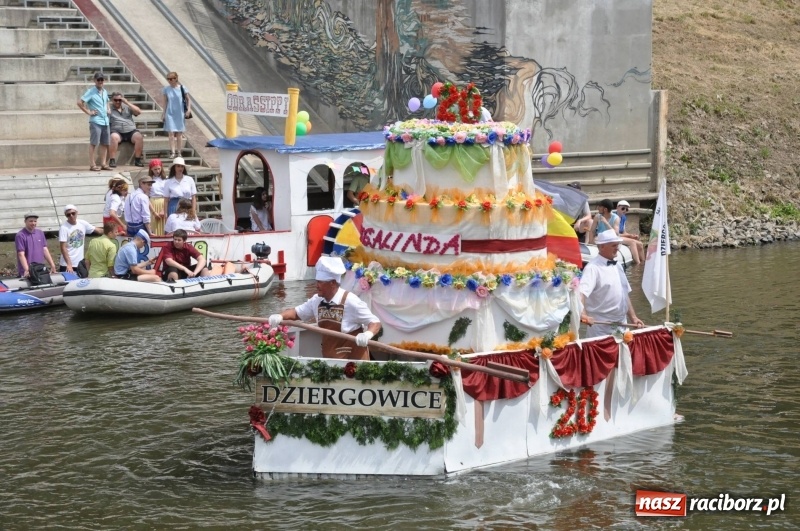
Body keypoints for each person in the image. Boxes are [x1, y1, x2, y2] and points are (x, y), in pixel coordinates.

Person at [268, 256, 381, 360]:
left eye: (320, 282)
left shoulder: (351, 301)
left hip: (354, 364)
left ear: (332, 283)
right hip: (330, 361)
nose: (317, 285)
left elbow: (375, 322)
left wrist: (367, 334)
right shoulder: (316, 300)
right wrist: (279, 316)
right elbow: (296, 313)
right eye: (317, 282)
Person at [579, 230, 644, 338]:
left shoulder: (618, 266)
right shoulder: (592, 268)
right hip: (601, 329)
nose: (617, 248)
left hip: (623, 325)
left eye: (618, 245)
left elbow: (624, 295)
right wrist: (583, 315)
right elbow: (581, 294)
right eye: (614, 245)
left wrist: (633, 318)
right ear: (602, 247)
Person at [76, 71, 110, 171]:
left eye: (101, 80)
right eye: (98, 80)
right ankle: (92, 164)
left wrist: (108, 109)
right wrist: (88, 112)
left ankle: (103, 163)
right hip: (96, 121)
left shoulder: (104, 91)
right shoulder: (91, 91)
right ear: (94, 80)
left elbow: (107, 101)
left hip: (105, 120)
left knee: (104, 143)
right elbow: (79, 102)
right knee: (94, 143)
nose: (100, 81)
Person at [59, 204, 101, 277]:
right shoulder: (64, 228)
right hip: (67, 264)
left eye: (73, 213)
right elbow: (63, 247)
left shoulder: (82, 223)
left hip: (80, 263)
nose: (71, 216)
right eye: (68, 215)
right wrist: (69, 264)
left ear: (77, 212)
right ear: (66, 215)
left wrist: (113, 232)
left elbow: (98, 230)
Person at [15, 212, 57, 279]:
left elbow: (45, 249)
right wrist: (27, 269)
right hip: (28, 271)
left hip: (40, 269)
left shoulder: (40, 233)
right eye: (31, 221)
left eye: (35, 221)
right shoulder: (20, 235)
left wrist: (52, 265)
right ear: (25, 221)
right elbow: (21, 254)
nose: (33, 223)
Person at [107, 92, 144, 168]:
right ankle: (112, 160)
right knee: (113, 137)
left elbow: (139, 112)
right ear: (112, 100)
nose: (117, 102)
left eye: (119, 100)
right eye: (115, 100)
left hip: (130, 130)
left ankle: (137, 160)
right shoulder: (109, 109)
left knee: (139, 137)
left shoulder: (127, 107)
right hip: (117, 131)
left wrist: (127, 102)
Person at [161, 71, 191, 159]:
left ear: (175, 79)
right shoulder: (166, 89)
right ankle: (173, 152)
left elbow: (188, 99)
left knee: (179, 133)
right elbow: (165, 102)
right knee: (171, 133)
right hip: (170, 112)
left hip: (180, 112)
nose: (169, 81)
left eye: (171, 79)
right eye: (168, 79)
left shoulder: (182, 88)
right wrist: (163, 113)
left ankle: (179, 152)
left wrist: (189, 109)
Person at [615, 200, 645, 265]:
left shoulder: (623, 218)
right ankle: (638, 264)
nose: (625, 210)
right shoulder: (614, 217)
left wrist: (631, 235)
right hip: (615, 237)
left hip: (620, 236)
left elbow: (623, 232)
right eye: (623, 208)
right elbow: (615, 234)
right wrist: (629, 236)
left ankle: (643, 262)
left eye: (626, 209)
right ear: (617, 208)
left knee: (640, 244)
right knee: (632, 242)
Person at [148, 159, 168, 235]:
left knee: (164, 224)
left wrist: (164, 209)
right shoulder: (149, 179)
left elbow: (168, 195)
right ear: (151, 169)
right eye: (155, 169)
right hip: (153, 203)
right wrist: (154, 212)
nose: (157, 171)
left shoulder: (165, 179)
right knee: (154, 224)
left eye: (159, 169)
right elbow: (147, 196)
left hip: (163, 202)